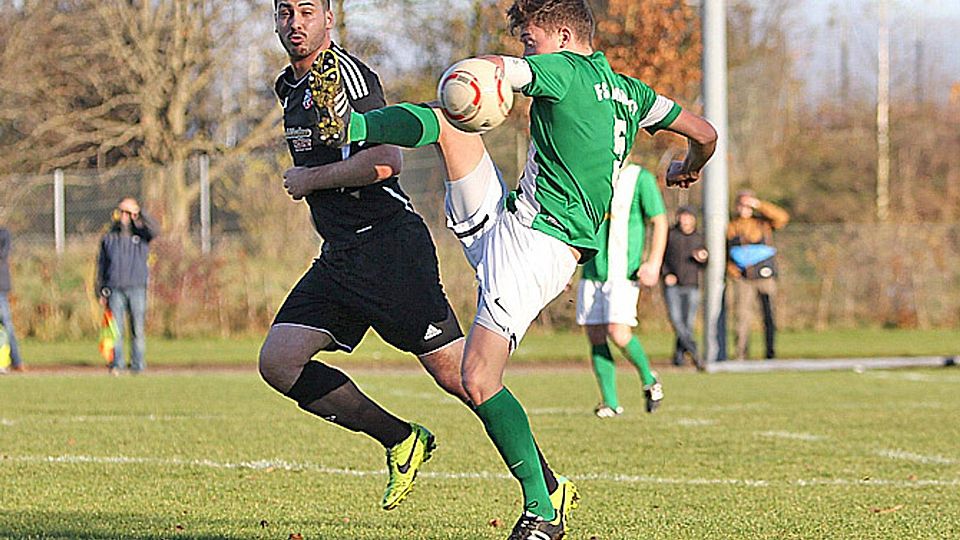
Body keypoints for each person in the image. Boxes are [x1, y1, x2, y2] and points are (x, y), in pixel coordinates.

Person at [301, 1, 717, 537]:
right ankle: (353, 124)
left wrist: (483, 71)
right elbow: (704, 132)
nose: (527, 49)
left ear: (564, 35)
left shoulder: (560, 68)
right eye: (523, 42)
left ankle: (544, 508)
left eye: (531, 39)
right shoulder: (632, 92)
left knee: (477, 377)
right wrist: (688, 167)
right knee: (449, 126)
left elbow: (500, 71)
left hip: (539, 249)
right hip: (514, 219)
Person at [262, 0, 563, 517]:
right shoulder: (286, 87)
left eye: (307, 11)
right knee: (279, 361)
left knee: (462, 375)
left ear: (329, 19)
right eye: (285, 12)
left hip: (388, 250)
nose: (295, 23)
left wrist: (309, 180)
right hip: (339, 256)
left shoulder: (351, 78)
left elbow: (385, 161)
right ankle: (401, 440)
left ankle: (547, 484)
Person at [576, 162, 667, 417]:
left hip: (623, 271)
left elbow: (659, 220)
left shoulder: (639, 178)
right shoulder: (592, 173)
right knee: (595, 335)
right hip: (592, 270)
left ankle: (650, 380)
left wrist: (653, 262)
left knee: (618, 332)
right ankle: (610, 403)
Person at [96, 197, 158, 374]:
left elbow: (155, 230)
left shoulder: (141, 234)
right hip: (115, 288)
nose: (124, 216)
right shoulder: (109, 236)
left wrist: (139, 213)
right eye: (121, 212)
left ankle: (138, 364)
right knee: (116, 331)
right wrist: (101, 289)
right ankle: (117, 363)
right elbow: (101, 265)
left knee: (137, 329)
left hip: (137, 287)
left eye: (127, 212)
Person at [727, 190, 790, 360]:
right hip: (744, 279)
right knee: (742, 317)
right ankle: (741, 353)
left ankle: (770, 352)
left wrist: (759, 205)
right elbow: (725, 250)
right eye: (742, 204)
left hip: (765, 277)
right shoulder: (732, 226)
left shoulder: (763, 224)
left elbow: (782, 217)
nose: (744, 209)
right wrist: (732, 269)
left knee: (769, 315)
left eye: (748, 205)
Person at [662, 205, 708, 369]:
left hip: (692, 285)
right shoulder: (671, 235)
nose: (685, 220)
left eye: (688, 217)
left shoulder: (699, 237)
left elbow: (705, 263)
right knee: (676, 321)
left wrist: (702, 258)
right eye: (683, 216)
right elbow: (661, 257)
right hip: (673, 285)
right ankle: (695, 352)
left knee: (687, 323)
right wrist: (666, 274)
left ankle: (679, 357)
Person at [0, 226, 24, 373]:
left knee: (7, 324)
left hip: (0, 287)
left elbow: (3, 253)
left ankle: (16, 360)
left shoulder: (4, 234)